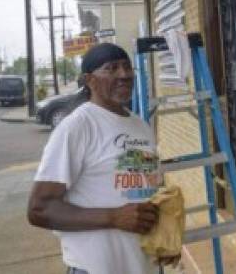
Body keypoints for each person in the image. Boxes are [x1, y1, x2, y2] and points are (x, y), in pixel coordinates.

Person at [27, 43, 178, 274]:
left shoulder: (141, 126)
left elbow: (147, 190)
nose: (124, 75)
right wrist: (114, 217)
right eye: (112, 68)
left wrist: (165, 235)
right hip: (96, 267)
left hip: (144, 265)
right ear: (90, 80)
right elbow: (39, 209)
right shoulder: (77, 128)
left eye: (127, 67)